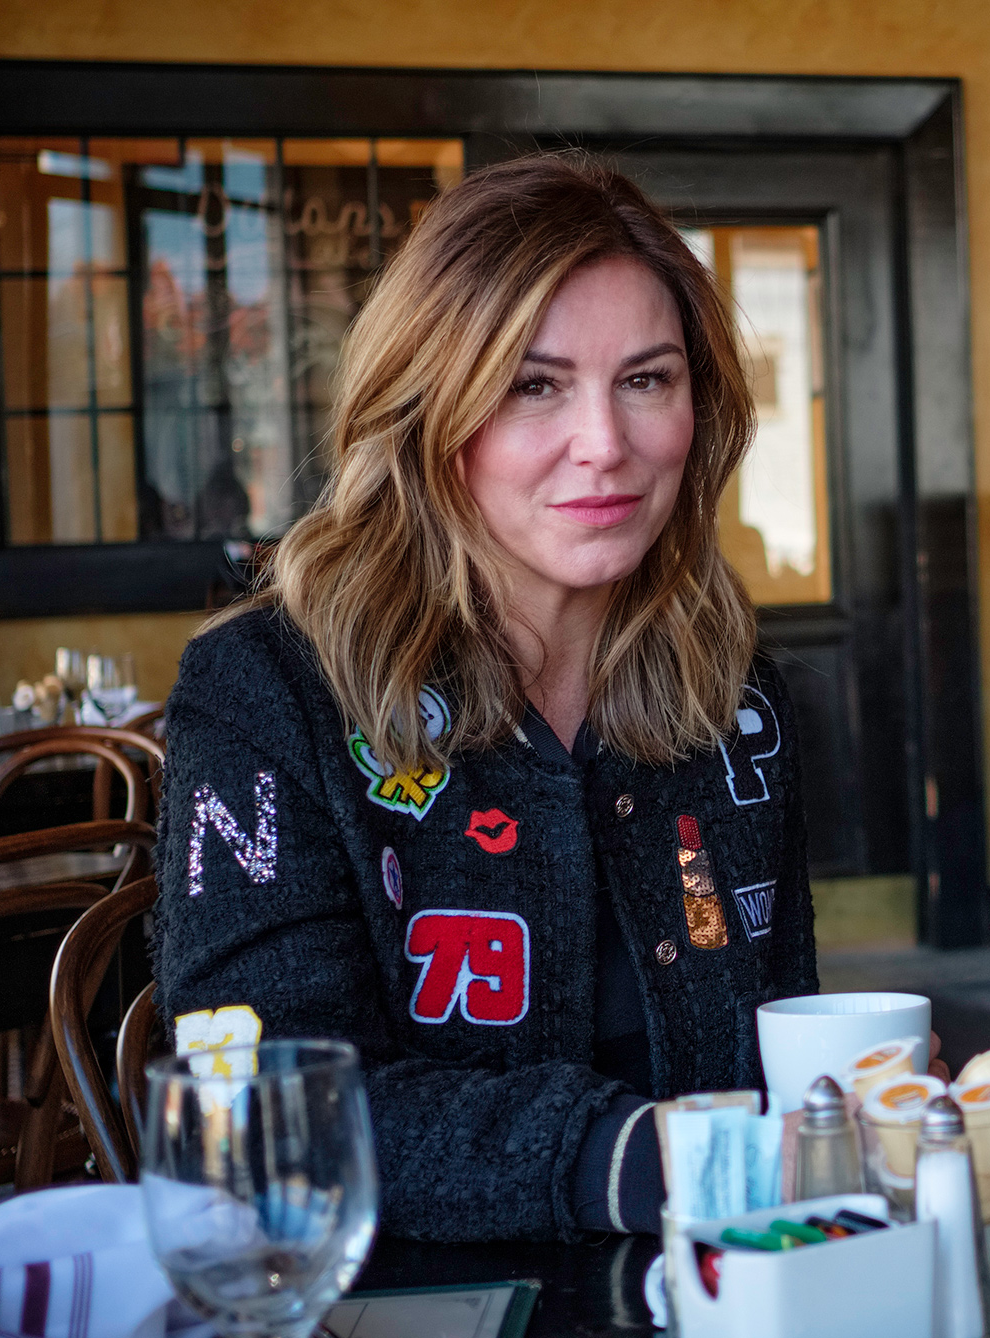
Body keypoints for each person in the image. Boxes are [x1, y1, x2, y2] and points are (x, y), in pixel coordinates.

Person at [154, 155, 816, 1242]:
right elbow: (261, 1115)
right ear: (429, 407)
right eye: (532, 384)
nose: (604, 444)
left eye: (646, 379)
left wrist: (849, 1109)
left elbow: (777, 1051)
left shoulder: (730, 694)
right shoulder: (269, 691)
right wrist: (639, 1160)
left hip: (725, 1321)